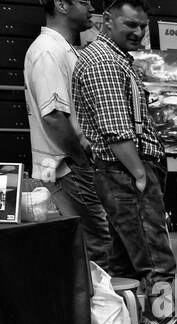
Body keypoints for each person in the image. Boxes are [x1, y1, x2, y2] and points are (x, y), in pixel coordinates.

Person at [72, 0, 175, 313]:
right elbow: (117, 130)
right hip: (126, 172)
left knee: (126, 264)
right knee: (157, 265)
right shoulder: (103, 60)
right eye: (130, 24)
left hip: (122, 173)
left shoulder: (115, 59)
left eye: (143, 25)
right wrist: (140, 174)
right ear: (107, 20)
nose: (139, 32)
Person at [23, 0, 110, 269]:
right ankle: (97, 311)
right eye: (84, 1)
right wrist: (81, 161)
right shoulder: (48, 51)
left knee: (94, 247)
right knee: (98, 249)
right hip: (68, 169)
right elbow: (53, 117)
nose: (91, 7)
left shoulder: (62, 48)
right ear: (61, 4)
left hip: (71, 167)